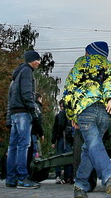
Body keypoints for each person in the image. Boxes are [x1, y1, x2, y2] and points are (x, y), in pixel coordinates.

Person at [63, 41, 111, 198]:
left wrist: (71, 115)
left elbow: (69, 92)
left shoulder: (79, 66)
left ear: (89, 52)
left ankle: (109, 178)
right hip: (105, 111)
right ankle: (81, 185)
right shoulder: (109, 66)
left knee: (92, 145)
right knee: (90, 147)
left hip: (85, 110)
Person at [5, 50, 43, 189]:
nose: (39, 62)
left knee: (13, 146)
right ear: (32, 60)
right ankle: (22, 178)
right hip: (23, 112)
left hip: (15, 113)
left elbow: (11, 96)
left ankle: (11, 179)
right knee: (23, 146)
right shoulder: (27, 71)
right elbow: (27, 93)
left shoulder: (17, 74)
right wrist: (33, 111)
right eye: (38, 60)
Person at [51, 99, 74, 184]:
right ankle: (69, 176)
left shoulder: (60, 115)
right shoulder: (71, 115)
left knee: (59, 156)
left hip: (62, 137)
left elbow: (56, 128)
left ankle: (58, 175)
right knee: (68, 156)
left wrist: (53, 140)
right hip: (68, 138)